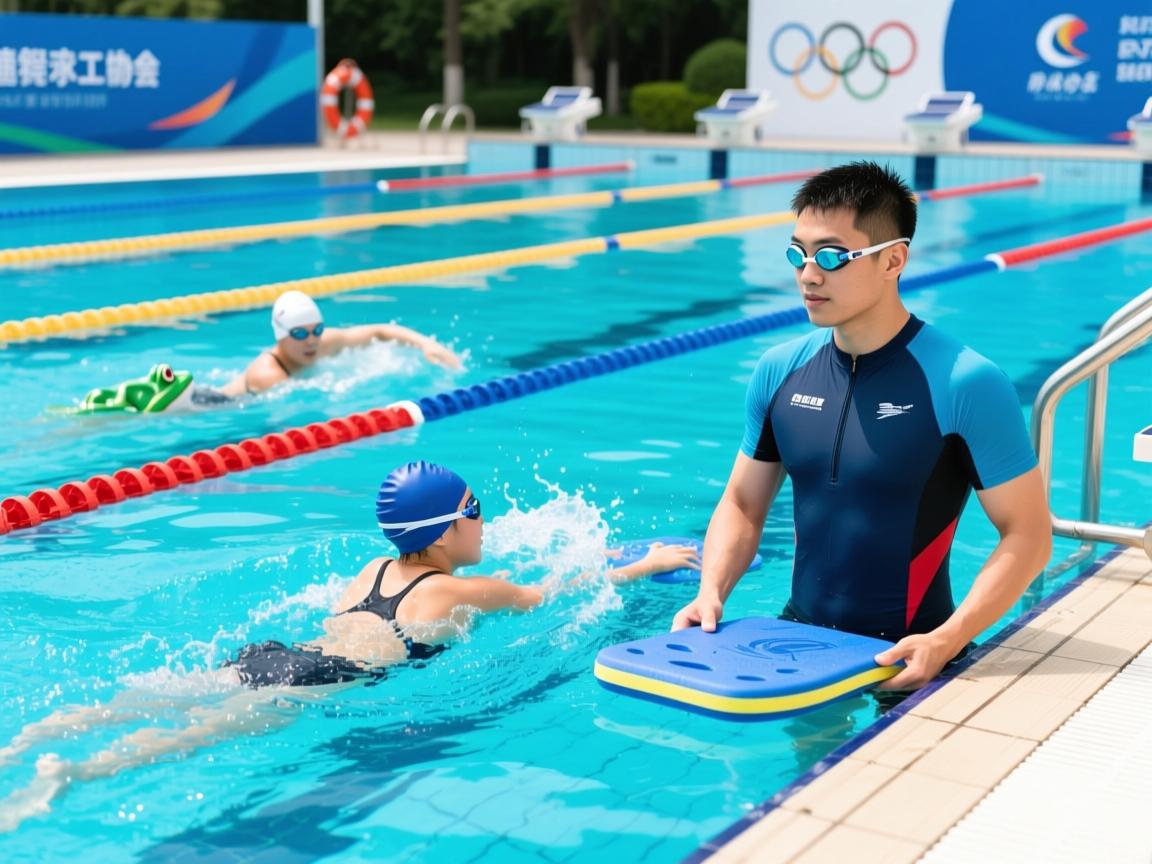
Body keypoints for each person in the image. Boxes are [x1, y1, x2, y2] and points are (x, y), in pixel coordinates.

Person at [0, 461, 698, 830]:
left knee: (155, 698)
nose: (485, 522)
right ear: (446, 531)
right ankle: (75, 775)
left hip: (272, 650)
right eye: (475, 511)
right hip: (321, 676)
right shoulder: (458, 592)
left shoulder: (374, 568)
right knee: (196, 736)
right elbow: (553, 592)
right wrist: (645, 564)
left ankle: (27, 743)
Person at [671, 161, 1052, 693]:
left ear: (893, 260)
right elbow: (742, 504)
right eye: (798, 254)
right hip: (796, 640)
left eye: (831, 256)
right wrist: (711, 591)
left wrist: (947, 639)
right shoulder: (779, 371)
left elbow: (1029, 535)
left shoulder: (964, 382)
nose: (808, 275)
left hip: (913, 653)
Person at [219, 290, 462, 397]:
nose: (311, 340)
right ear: (281, 336)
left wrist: (427, 345)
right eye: (300, 334)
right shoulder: (268, 375)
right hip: (220, 403)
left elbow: (379, 332)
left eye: (317, 330)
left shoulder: (323, 343)